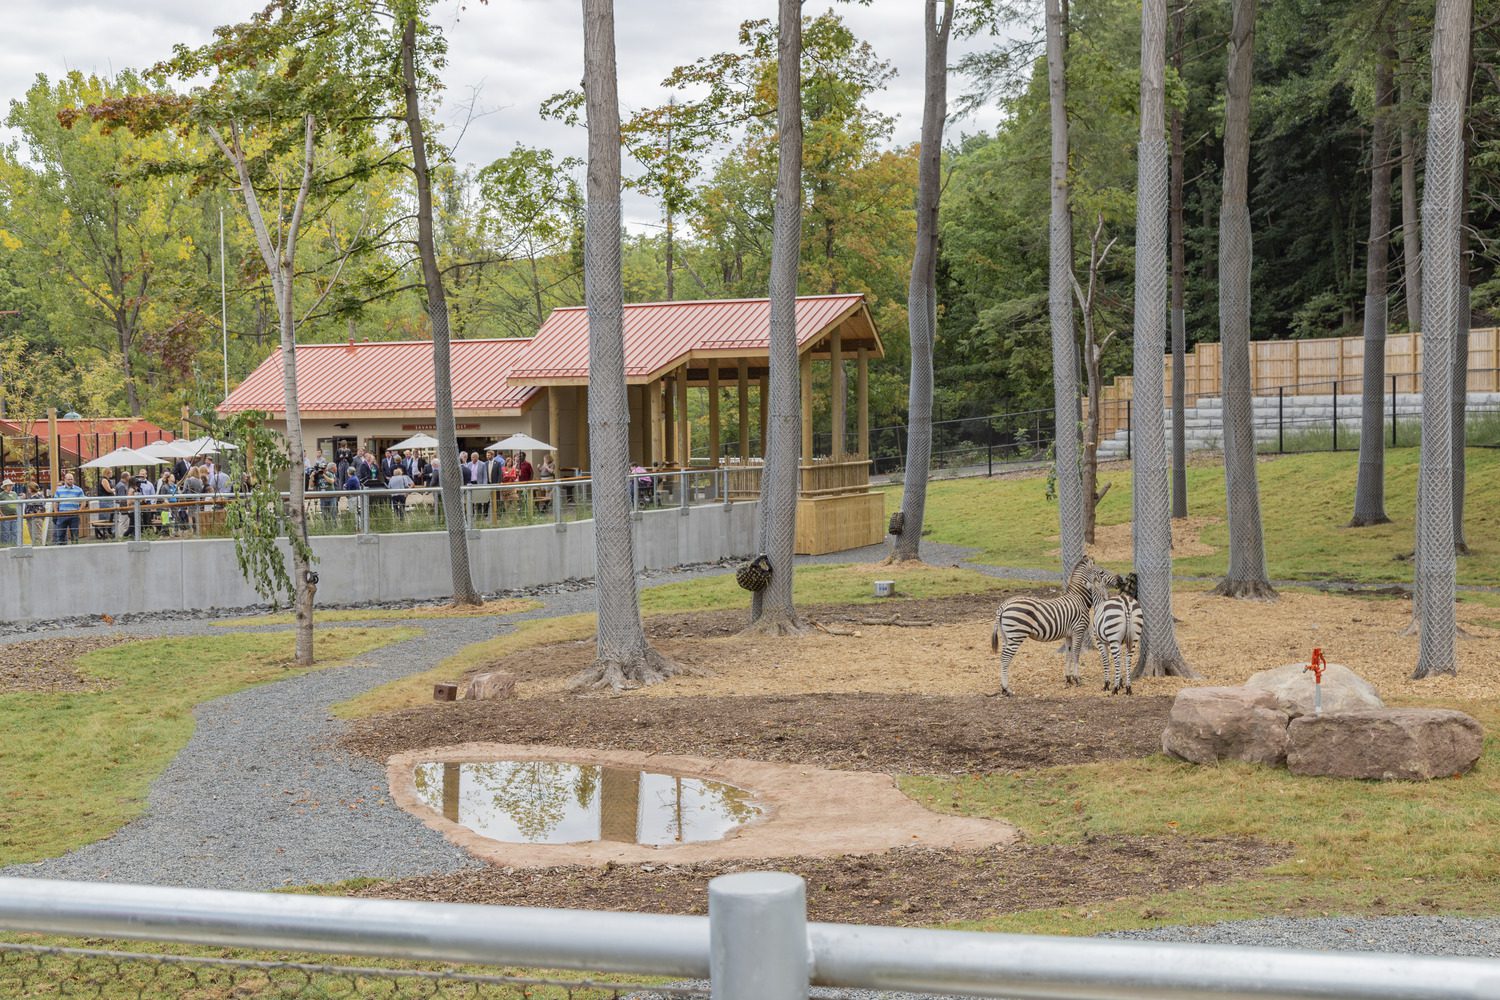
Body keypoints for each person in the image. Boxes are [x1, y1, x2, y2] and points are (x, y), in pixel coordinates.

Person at [52, 472, 85, 544]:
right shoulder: (59, 490)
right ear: (65, 480)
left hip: (74, 514)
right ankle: (60, 550)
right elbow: (55, 502)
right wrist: (56, 512)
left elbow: (83, 501)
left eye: (72, 479)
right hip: (62, 514)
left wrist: (79, 511)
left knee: (75, 535)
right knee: (60, 535)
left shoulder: (78, 489)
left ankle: (75, 550)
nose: (70, 481)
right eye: (69, 479)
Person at [0, 479, 18, 546]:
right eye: (9, 485)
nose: (11, 487)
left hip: (14, 515)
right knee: (6, 532)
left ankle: (14, 545)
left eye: (11, 485)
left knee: (15, 532)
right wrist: (2, 514)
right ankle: (5, 545)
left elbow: (17, 503)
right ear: (5, 487)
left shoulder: (14, 494)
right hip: (5, 516)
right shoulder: (1, 495)